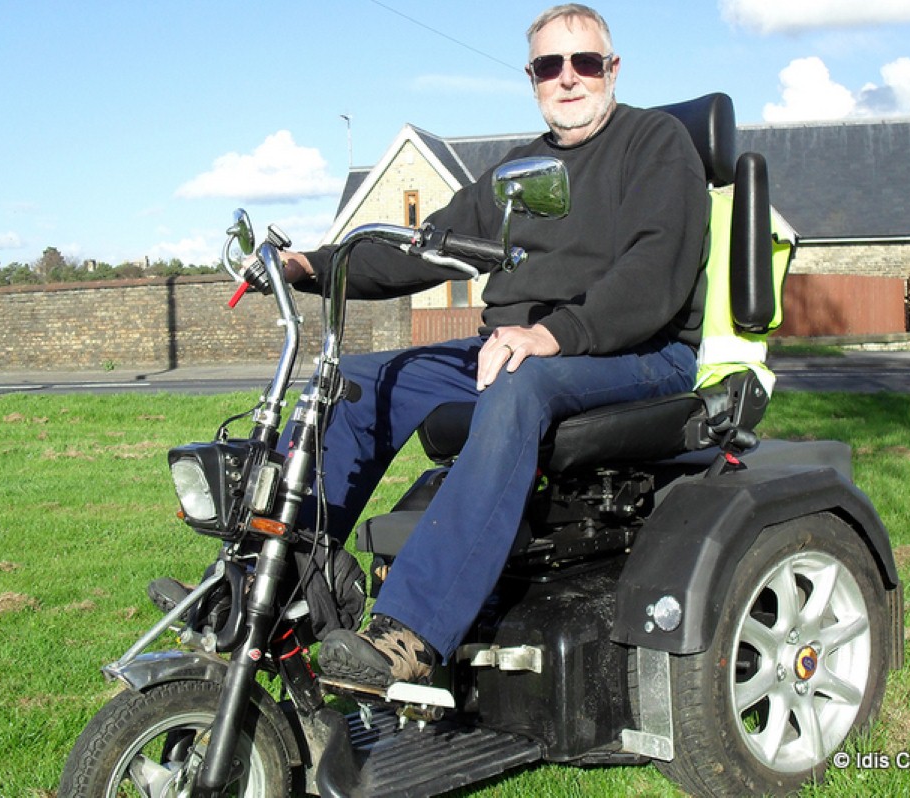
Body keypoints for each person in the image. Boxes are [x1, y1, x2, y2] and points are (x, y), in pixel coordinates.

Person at [281, 3, 710, 688]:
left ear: (612, 69)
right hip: (518, 347)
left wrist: (551, 334)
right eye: (549, 66)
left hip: (637, 352)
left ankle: (411, 634)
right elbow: (424, 253)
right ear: (532, 77)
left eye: (585, 62)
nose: (568, 78)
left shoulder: (657, 145)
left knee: (521, 384)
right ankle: (285, 577)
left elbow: (653, 276)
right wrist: (312, 265)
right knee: (354, 381)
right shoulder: (519, 170)